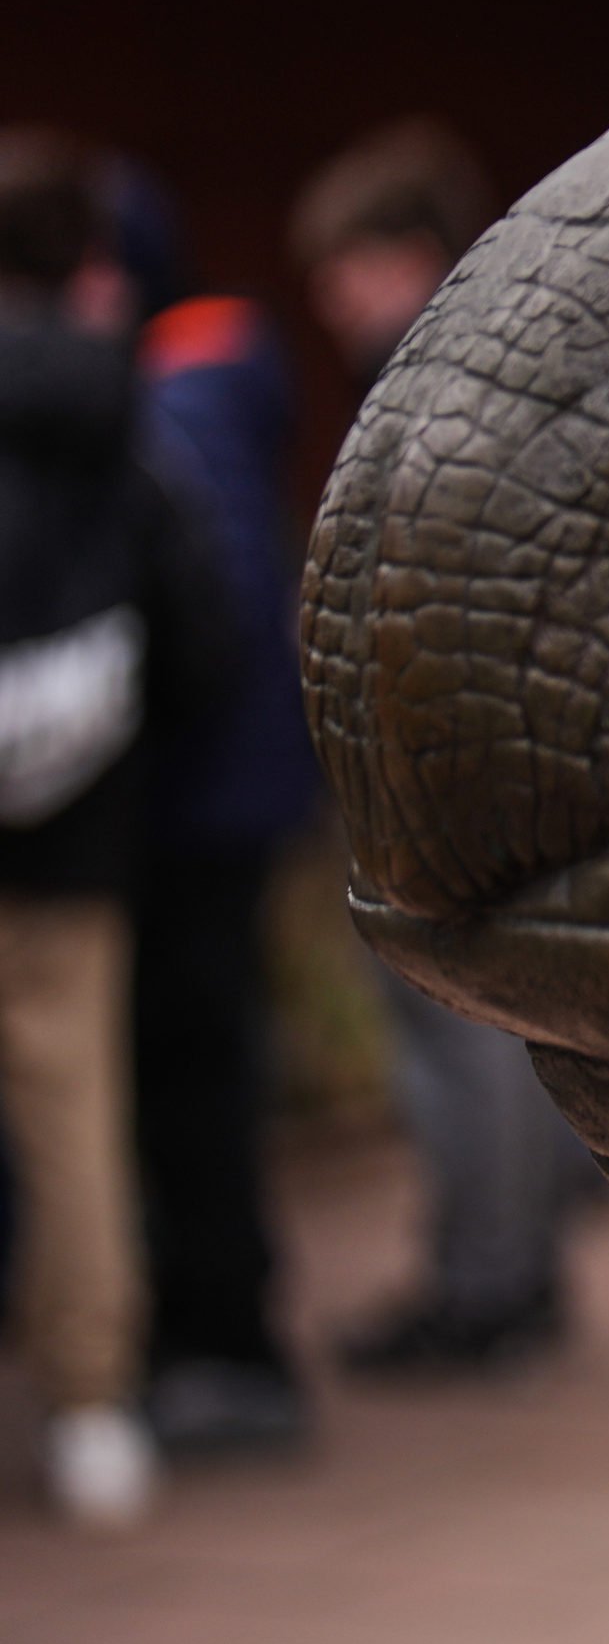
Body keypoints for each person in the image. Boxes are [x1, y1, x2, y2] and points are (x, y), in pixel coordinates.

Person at [290, 120, 599, 1375]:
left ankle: (484, 1290)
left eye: (347, 267)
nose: (329, 299)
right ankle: (512, 1270)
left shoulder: (424, 382)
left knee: (457, 1030)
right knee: (503, 1030)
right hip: (515, 747)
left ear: (408, 257)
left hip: (448, 761)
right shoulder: (519, 360)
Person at [1, 131, 232, 1529]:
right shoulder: (121, 422)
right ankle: (92, 1405)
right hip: (79, 842)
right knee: (75, 1127)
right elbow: (201, 624)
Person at [108, 161, 320, 1452]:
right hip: (231, 804)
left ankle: (226, 1345)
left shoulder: (176, 401)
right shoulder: (218, 387)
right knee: (212, 1074)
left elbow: (213, 625)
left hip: (192, 815)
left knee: (195, 1083)